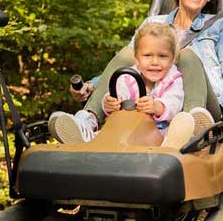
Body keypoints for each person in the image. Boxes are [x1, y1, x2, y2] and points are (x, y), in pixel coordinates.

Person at [68, 0, 223, 143]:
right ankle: (87, 120)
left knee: (187, 56)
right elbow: (128, 61)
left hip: (205, 105)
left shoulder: (218, 26)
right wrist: (92, 85)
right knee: (128, 52)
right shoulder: (153, 24)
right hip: (155, 102)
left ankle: (192, 124)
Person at [48, 22, 212, 149]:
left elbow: (174, 102)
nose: (155, 62)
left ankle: (171, 145)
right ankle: (86, 136)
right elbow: (118, 96)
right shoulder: (127, 78)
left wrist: (158, 107)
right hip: (128, 131)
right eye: (148, 56)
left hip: (158, 133)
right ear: (137, 58)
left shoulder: (172, 79)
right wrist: (109, 103)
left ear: (171, 59)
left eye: (162, 56)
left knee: (176, 127)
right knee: (107, 130)